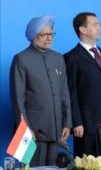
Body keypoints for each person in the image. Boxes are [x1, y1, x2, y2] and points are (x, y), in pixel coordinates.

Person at [10, 15, 72, 166]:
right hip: (32, 130)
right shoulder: (21, 59)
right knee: (30, 167)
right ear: (33, 36)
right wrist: (25, 129)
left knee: (53, 167)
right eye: (44, 35)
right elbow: (18, 99)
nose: (49, 38)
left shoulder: (58, 58)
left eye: (51, 34)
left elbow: (65, 93)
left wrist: (67, 122)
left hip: (56, 128)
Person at [64, 12, 101, 156]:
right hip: (87, 124)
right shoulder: (71, 57)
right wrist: (76, 122)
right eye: (95, 24)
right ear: (82, 30)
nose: (99, 27)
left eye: (99, 24)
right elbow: (71, 93)